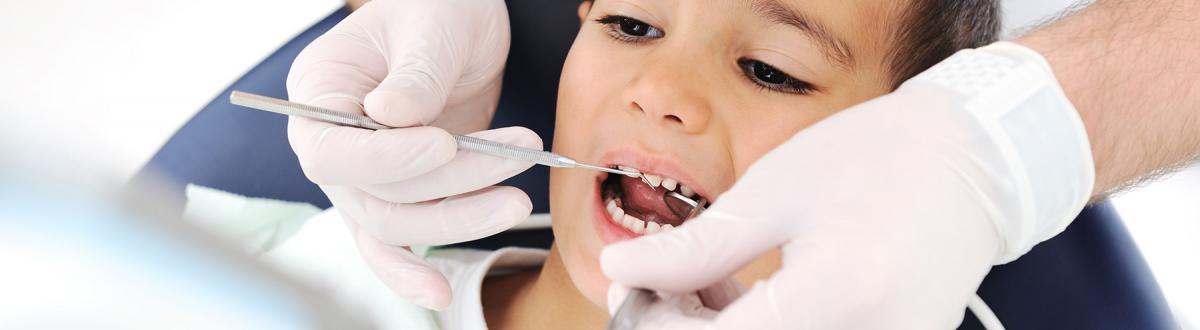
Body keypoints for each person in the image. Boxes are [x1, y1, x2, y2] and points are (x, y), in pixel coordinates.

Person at [285, 0, 1199, 328]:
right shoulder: (314, 285)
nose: (663, 90)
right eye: (632, 24)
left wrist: (999, 145)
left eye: (772, 69)